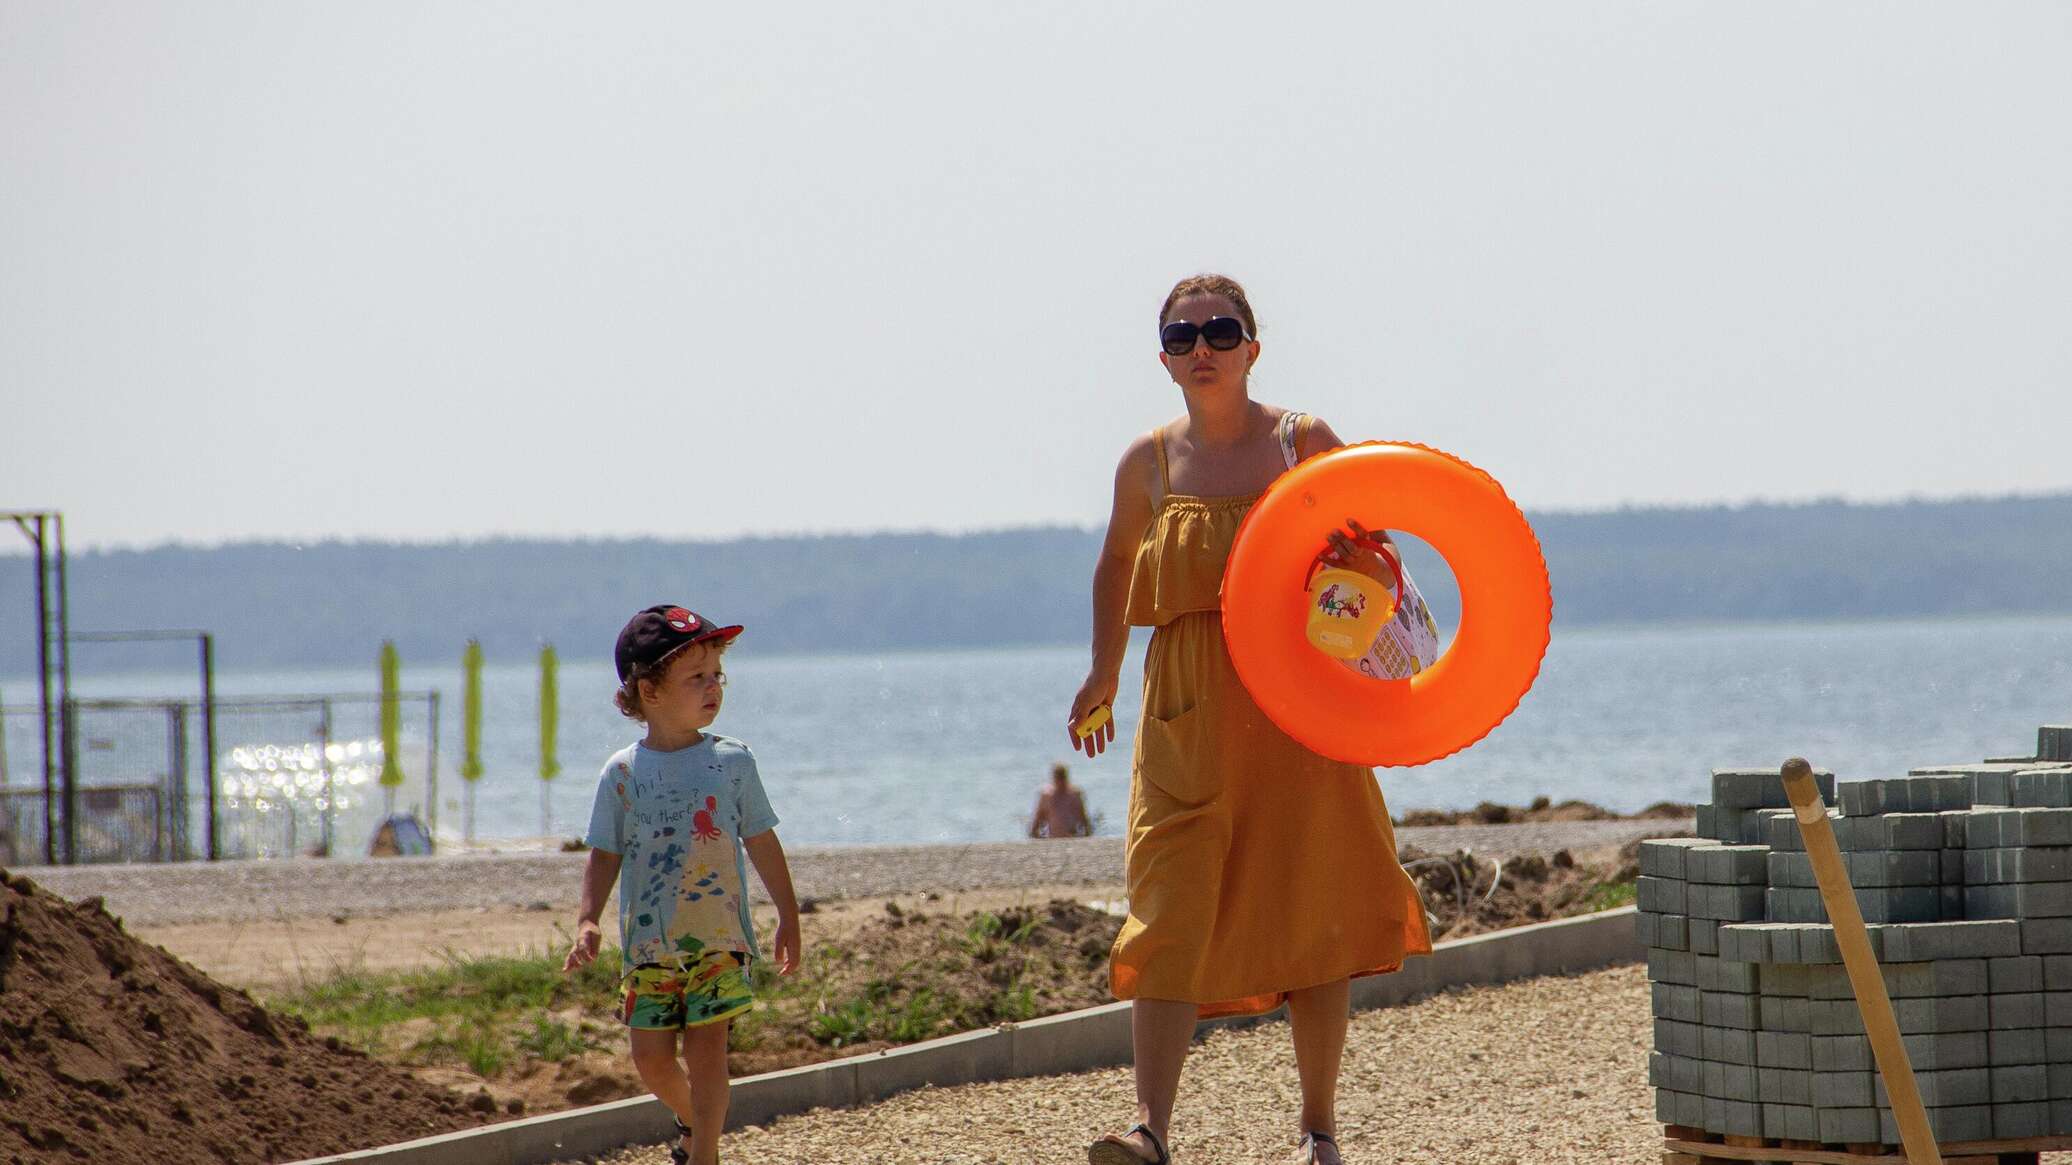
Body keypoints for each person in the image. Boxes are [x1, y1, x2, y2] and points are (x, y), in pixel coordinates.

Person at [1066, 275, 1433, 1165]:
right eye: (1184, 335)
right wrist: (1102, 673)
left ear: (1253, 347)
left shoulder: (1301, 439)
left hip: (1299, 705)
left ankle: (1318, 1130)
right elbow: (1117, 565)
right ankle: (1151, 1129)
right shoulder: (1146, 463)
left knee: (1315, 900)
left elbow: (1375, 546)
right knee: (1168, 904)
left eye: (1221, 331)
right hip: (1188, 708)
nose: (1203, 347)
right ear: (1164, 358)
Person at [564, 605, 802, 1165]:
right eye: (696, 676)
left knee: (708, 1049)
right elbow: (604, 853)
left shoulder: (732, 762)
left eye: (718, 673)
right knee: (650, 1059)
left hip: (719, 938)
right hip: (648, 945)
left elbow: (762, 841)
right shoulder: (622, 772)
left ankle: (706, 1156)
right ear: (649, 691)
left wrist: (789, 915)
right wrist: (588, 918)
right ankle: (696, 1122)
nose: (713, 686)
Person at [1029, 761, 1093, 838]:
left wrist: (1085, 837)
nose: (1060, 782)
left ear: (1066, 778)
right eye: (1058, 778)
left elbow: (1084, 820)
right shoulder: (1047, 796)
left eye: (1062, 778)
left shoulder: (1074, 795)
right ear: (1054, 778)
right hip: (1053, 838)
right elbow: (1036, 824)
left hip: (1072, 838)